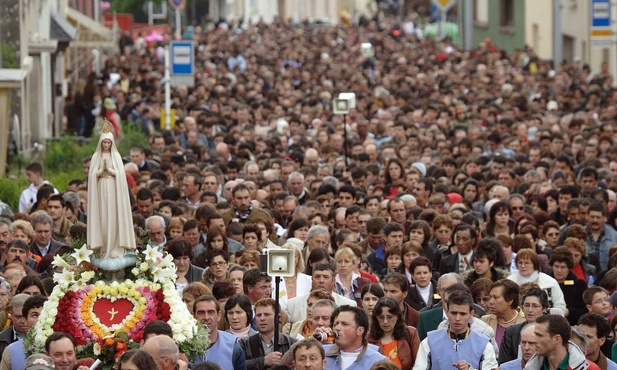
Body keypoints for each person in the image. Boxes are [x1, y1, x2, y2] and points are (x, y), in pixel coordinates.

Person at [87, 119, 136, 269]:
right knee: (103, 218)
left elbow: (121, 175)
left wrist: (111, 171)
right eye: (104, 143)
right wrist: (102, 171)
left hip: (114, 192)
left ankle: (115, 247)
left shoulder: (116, 157)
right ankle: (102, 248)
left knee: (114, 218)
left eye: (109, 143)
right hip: (101, 190)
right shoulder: (96, 157)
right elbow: (92, 176)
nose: (106, 145)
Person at [413, 290, 498, 370]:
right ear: (447, 312)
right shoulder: (429, 341)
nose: (457, 318)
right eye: (453, 313)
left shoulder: (484, 344)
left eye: (463, 314)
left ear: (471, 314)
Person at [315, 305, 387, 370]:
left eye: (344, 324)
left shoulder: (378, 361)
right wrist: (312, 343)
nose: (337, 328)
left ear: (360, 330)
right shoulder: (320, 353)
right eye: (336, 324)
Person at [287, 263, 356, 324]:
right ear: (312, 280)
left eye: (326, 277)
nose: (321, 281)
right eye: (317, 277)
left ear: (334, 281)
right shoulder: (293, 305)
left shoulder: (349, 305)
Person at [239, 298, 297, 370]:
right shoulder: (245, 343)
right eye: (259, 315)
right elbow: (237, 365)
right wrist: (263, 361)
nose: (262, 318)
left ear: (277, 317)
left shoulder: (291, 343)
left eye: (267, 314)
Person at [193, 295, 246, 370]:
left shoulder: (233, 346)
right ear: (194, 316)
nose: (206, 317)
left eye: (211, 312)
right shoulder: (185, 346)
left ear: (218, 315)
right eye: (201, 313)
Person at [507, 249, 566, 316]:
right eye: (520, 262)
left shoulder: (550, 282)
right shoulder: (509, 282)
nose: (523, 266)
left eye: (526, 263)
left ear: (534, 264)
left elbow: (560, 306)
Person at [367, 297, 420, 370]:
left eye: (390, 317)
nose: (385, 321)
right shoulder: (368, 338)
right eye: (381, 317)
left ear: (397, 316)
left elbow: (419, 363)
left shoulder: (410, 333)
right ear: (376, 318)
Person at [524, 314, 588, 370]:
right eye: (535, 334)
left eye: (539, 335)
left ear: (557, 339)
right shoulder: (531, 367)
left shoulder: (588, 368)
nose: (534, 340)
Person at [0, 294, 46, 370]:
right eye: (34, 315)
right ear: (26, 318)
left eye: (43, 315)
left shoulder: (64, 345)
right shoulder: (11, 350)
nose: (39, 320)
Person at [549, 246, 588, 325]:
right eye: (556, 266)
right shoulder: (545, 283)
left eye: (563, 267)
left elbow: (584, 311)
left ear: (569, 268)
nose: (559, 270)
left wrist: (567, 312)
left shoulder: (579, 285)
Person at [481, 280, 525, 348]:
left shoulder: (525, 322)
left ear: (510, 300)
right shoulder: (485, 321)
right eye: (490, 297)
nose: (490, 302)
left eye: (496, 298)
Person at [0, 294, 29, 361]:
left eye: (26, 316)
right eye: (18, 316)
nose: (23, 321)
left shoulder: (45, 338)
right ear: (11, 315)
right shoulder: (1, 339)